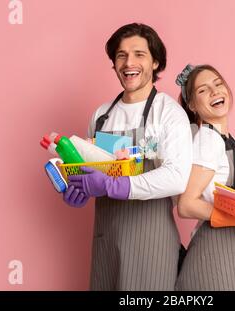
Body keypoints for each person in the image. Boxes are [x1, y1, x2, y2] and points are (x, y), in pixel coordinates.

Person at [63, 23, 192, 291]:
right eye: (121, 55)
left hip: (151, 244)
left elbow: (177, 178)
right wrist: (76, 188)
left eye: (139, 54)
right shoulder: (102, 116)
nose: (128, 62)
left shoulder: (167, 112)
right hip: (106, 242)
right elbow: (89, 171)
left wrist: (113, 185)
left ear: (155, 62)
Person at [174, 64, 235, 291]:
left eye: (218, 84)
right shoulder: (207, 140)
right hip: (214, 255)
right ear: (192, 105)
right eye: (203, 90)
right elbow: (186, 205)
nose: (214, 91)